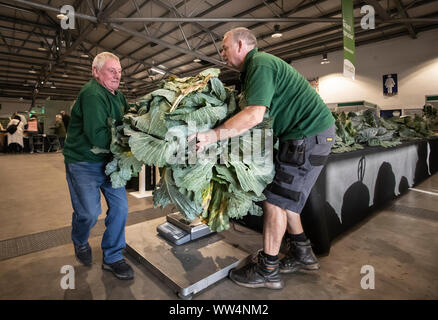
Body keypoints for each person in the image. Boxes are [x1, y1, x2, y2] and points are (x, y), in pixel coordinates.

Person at [192, 27, 336, 289]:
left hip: (307, 136)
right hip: (307, 136)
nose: (221, 53)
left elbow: (254, 115)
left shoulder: (260, 63)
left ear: (240, 46)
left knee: (275, 202)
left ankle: (268, 269)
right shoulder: (254, 69)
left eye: (224, 47)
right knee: (287, 201)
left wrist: (211, 136)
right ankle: (302, 253)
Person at [63, 52, 133, 280]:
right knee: (90, 214)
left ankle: (112, 257)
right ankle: (80, 240)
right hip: (83, 162)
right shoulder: (92, 94)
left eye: (120, 71)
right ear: (96, 72)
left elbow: (131, 119)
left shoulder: (119, 97)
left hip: (109, 163)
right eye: (111, 70)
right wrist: (134, 144)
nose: (117, 75)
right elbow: (98, 137)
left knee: (121, 208)